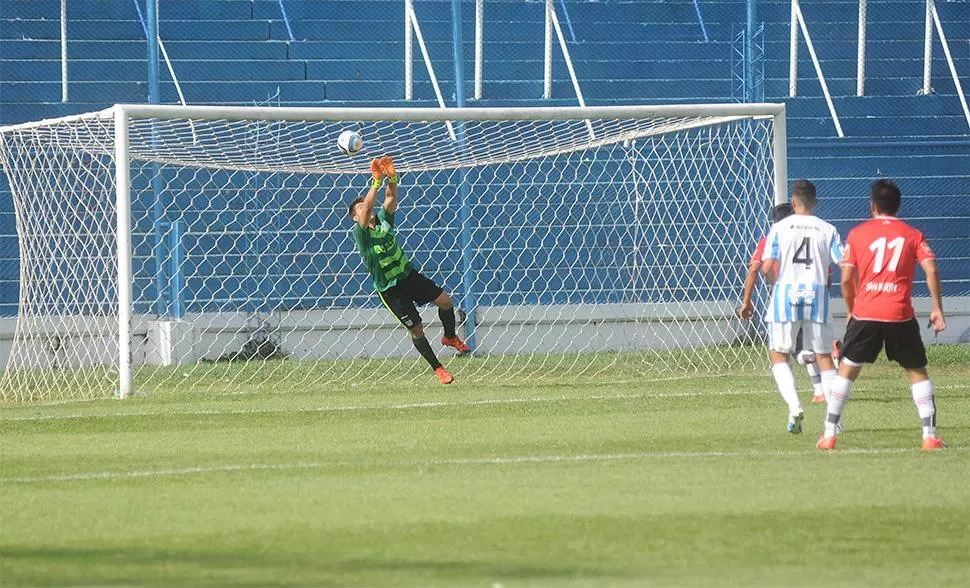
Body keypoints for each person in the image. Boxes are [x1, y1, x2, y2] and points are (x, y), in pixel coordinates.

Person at [817, 179, 947, 451]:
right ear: (897, 206)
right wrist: (937, 308)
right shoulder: (913, 234)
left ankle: (829, 434)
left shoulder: (857, 234)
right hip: (899, 313)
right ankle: (929, 436)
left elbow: (846, 278)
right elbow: (932, 269)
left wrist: (852, 310)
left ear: (872, 205)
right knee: (917, 373)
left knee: (847, 371)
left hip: (866, 312)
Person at [347, 157, 470, 385]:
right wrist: (375, 182)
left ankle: (450, 337)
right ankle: (439, 369)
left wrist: (391, 178)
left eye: (366, 204)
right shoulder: (360, 233)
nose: (366, 208)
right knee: (417, 329)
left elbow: (391, 197)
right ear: (355, 217)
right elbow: (368, 211)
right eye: (361, 207)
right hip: (390, 289)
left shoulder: (384, 220)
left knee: (445, 301)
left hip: (408, 276)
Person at [760, 180, 842, 434]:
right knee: (824, 356)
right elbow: (844, 262)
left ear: (793, 203)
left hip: (785, 294)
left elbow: (765, 267)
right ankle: (834, 425)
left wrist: (774, 282)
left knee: (779, 354)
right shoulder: (827, 229)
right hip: (817, 295)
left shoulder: (780, 228)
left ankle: (794, 406)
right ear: (815, 202)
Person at [738, 202, 827, 404]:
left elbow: (755, 270)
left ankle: (803, 373)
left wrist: (747, 301)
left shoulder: (770, 239)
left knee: (782, 349)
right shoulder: (811, 237)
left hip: (785, 296)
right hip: (813, 293)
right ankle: (820, 389)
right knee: (806, 340)